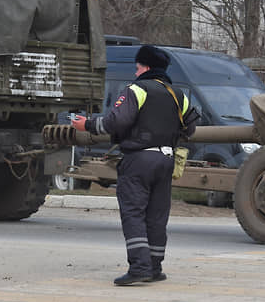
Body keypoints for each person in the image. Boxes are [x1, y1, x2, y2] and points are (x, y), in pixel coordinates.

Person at [71, 45, 196, 286]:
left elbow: (116, 122)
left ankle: (139, 268)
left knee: (134, 212)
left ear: (147, 67)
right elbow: (190, 129)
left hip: (139, 159)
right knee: (157, 215)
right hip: (167, 160)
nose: (135, 72)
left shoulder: (137, 89)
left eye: (138, 67)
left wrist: (86, 125)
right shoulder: (177, 94)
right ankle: (155, 267)